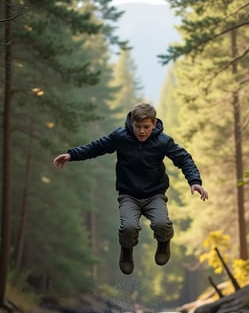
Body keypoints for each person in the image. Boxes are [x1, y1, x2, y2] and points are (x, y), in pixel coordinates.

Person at [53, 103, 208, 275]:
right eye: (138, 126)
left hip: (154, 194)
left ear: (154, 124)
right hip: (129, 195)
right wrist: (71, 155)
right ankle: (126, 251)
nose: (142, 131)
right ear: (131, 123)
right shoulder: (121, 137)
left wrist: (194, 181)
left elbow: (184, 158)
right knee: (129, 228)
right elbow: (96, 147)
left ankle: (164, 243)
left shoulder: (163, 142)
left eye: (146, 127)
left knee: (161, 223)